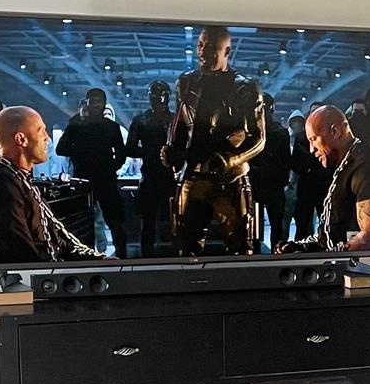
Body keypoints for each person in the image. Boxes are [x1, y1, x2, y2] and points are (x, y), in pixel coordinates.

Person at [164, 26, 265, 255]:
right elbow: (180, 125)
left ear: (226, 51)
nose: (203, 52)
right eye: (201, 45)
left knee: (241, 248)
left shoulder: (245, 87)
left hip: (230, 180)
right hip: (193, 177)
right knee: (186, 248)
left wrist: (229, 160)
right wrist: (173, 151)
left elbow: (259, 139)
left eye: (211, 47)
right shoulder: (186, 82)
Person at [0, 106, 106, 265]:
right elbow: (21, 253)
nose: (47, 138)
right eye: (41, 131)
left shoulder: (18, 178)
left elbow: (58, 240)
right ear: (21, 139)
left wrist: (99, 260)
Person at [279, 105, 370, 255]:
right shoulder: (345, 164)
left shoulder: (363, 165)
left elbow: (368, 238)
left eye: (314, 139)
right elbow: (332, 233)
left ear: (335, 131)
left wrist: (330, 257)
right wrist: (304, 247)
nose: (312, 149)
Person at [56, 88, 128, 253]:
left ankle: (120, 256)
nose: (96, 105)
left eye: (99, 102)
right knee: (85, 224)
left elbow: (121, 153)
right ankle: (88, 257)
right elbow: (61, 149)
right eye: (93, 101)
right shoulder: (77, 124)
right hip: (86, 180)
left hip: (100, 179)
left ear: (104, 104)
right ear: (87, 103)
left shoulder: (110, 127)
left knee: (113, 222)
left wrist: (110, 166)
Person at [126, 80, 176, 258]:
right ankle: (147, 257)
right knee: (149, 222)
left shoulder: (175, 120)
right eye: (154, 96)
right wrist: (149, 152)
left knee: (173, 220)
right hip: (151, 176)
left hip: (171, 176)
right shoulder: (141, 121)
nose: (158, 100)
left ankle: (175, 256)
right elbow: (129, 148)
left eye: (161, 96)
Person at [254, 92, 293, 251]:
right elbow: (286, 162)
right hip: (272, 185)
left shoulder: (252, 131)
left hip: (260, 183)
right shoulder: (280, 132)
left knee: (259, 223)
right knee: (274, 223)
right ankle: (276, 252)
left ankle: (258, 251)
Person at [289, 106, 328, 242]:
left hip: (318, 184)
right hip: (311, 184)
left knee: (321, 220)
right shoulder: (302, 137)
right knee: (304, 221)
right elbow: (295, 163)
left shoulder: (302, 137)